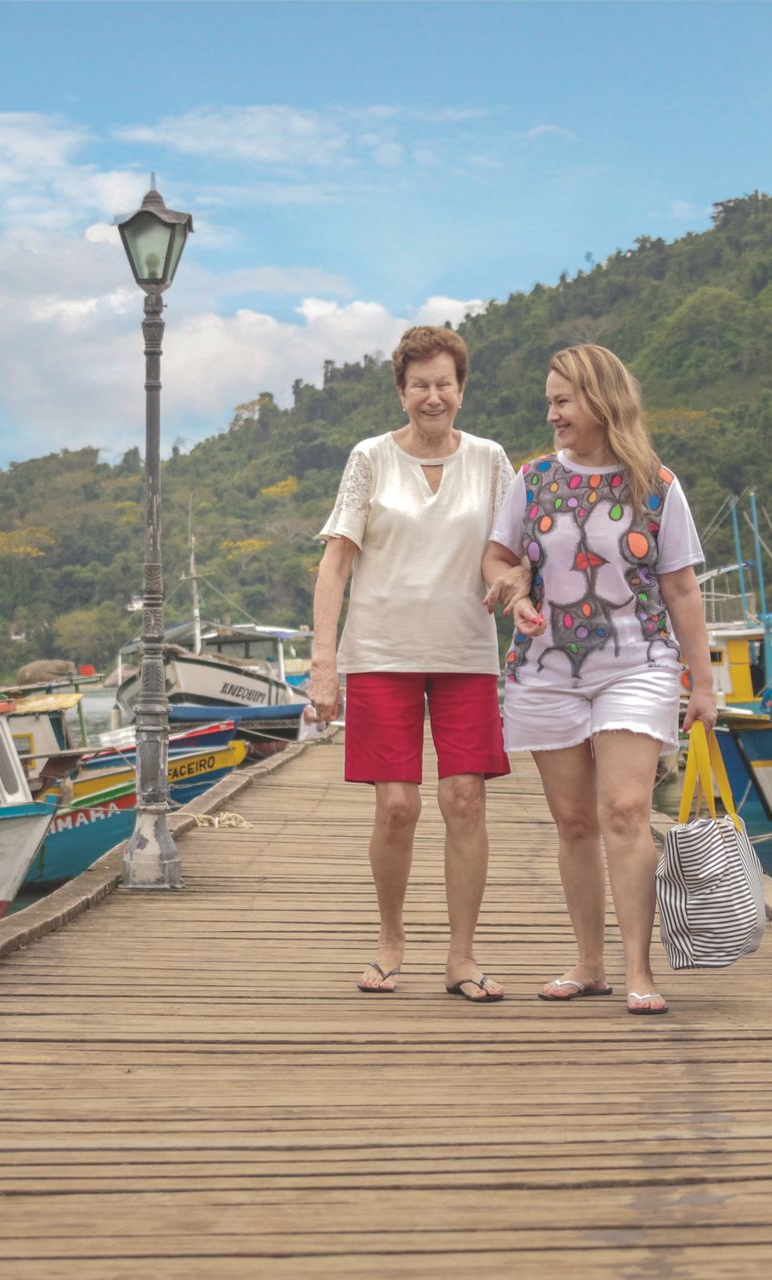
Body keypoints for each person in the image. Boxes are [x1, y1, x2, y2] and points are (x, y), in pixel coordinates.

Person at [482, 344, 716, 1016]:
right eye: (549, 401)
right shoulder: (530, 481)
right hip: (547, 669)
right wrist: (515, 591)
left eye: (562, 400)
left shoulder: (657, 485)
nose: (551, 413)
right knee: (575, 821)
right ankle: (589, 965)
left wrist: (703, 685)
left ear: (599, 401)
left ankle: (640, 970)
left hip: (638, 662)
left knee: (625, 812)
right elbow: (499, 556)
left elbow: (681, 587)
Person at [308, 325, 523, 1003]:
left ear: (461, 389)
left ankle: (462, 956)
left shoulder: (490, 460)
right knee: (397, 807)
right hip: (380, 653)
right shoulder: (370, 459)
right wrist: (324, 661)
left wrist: (517, 588)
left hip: (465, 652)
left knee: (464, 799)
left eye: (445, 384)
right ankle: (391, 939)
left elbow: (515, 551)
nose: (434, 396)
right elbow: (336, 561)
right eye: (420, 384)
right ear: (402, 391)